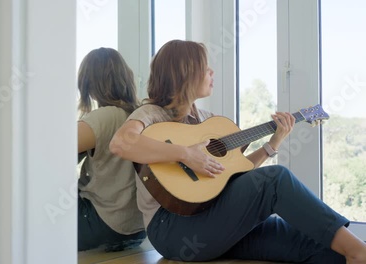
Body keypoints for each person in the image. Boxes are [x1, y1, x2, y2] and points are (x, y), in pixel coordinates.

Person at [109, 39, 366, 263]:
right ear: (185, 73)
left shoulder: (209, 121)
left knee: (319, 248)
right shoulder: (151, 114)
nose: (211, 72)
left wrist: (273, 142)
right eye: (204, 67)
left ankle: (357, 252)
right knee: (275, 178)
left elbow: (235, 176)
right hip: (174, 230)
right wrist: (186, 154)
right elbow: (121, 143)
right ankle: (359, 251)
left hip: (212, 219)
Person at [77, 47, 146, 252]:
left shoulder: (104, 117)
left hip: (101, 222)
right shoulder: (141, 114)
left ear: (88, 84)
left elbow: (51, 152)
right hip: (137, 230)